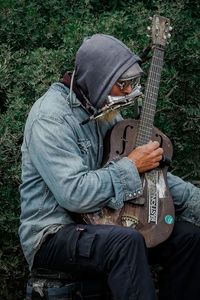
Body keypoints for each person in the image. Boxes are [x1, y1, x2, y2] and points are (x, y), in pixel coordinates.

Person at [19, 34, 200, 300]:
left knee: (188, 237)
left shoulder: (104, 111)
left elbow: (151, 176)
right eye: (121, 84)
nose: (128, 92)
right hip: (54, 234)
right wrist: (131, 165)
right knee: (126, 242)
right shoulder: (50, 118)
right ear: (98, 80)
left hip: (105, 225)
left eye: (132, 83)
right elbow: (74, 194)